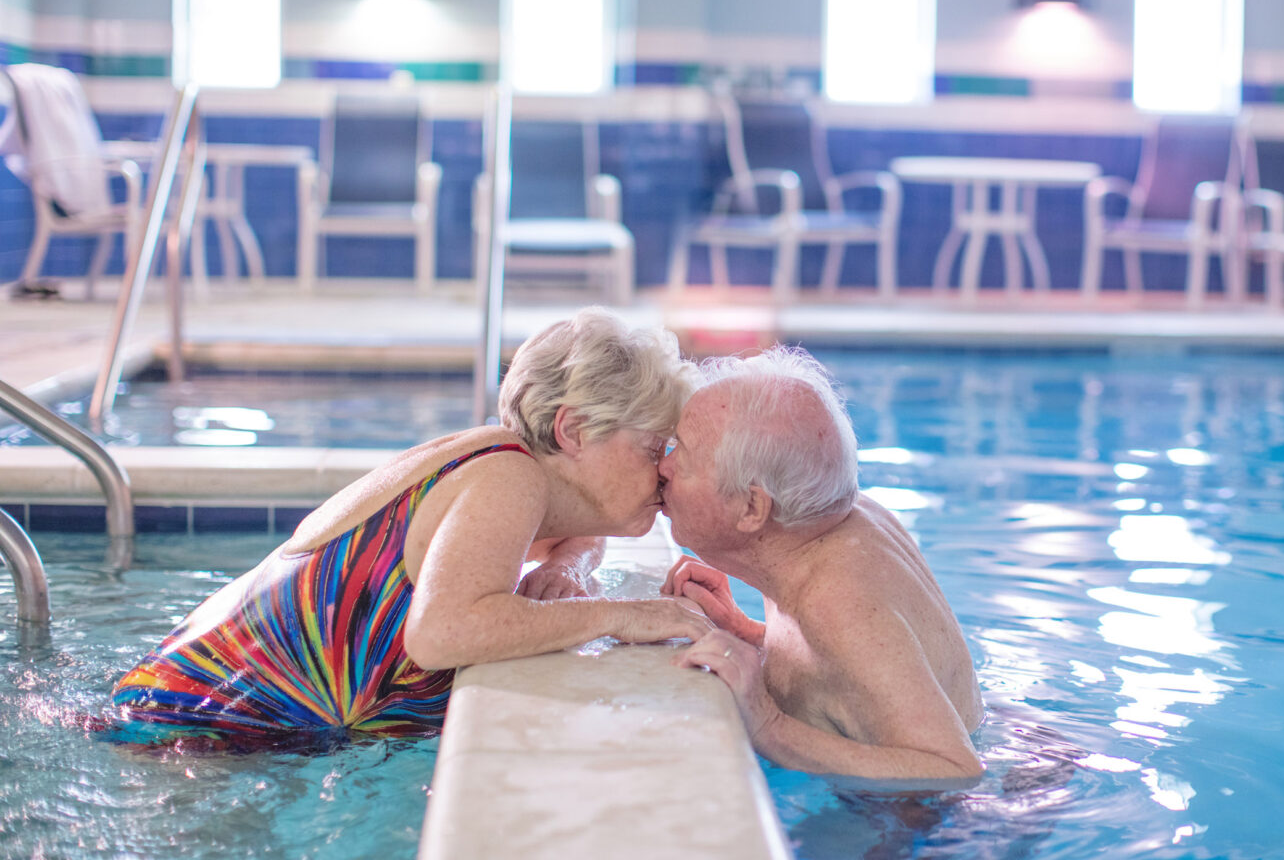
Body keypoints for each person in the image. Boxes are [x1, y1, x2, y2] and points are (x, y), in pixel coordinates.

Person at [111, 308, 712, 742]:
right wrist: (624, 615)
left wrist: (565, 565)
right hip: (190, 734)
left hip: (215, 723)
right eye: (655, 446)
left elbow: (583, 529)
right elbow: (444, 633)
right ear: (574, 431)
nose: (667, 470)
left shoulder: (516, 471)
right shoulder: (508, 480)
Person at [658, 347, 983, 784]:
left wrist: (767, 725)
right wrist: (745, 631)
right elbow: (848, 673)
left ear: (752, 506)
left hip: (948, 829)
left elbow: (954, 770)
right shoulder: (829, 525)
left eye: (683, 452)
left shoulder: (840, 603)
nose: (662, 466)